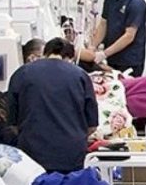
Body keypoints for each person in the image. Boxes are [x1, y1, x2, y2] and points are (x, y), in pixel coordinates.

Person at [7, 37, 98, 174]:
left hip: (32, 156)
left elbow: (13, 123)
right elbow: (92, 126)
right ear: (70, 58)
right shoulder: (80, 75)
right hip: (71, 156)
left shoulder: (22, 74)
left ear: (45, 53)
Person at [92, 0, 146, 77]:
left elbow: (129, 36)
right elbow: (103, 23)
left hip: (129, 60)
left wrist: (104, 54)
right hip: (113, 57)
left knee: (126, 85)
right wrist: (93, 46)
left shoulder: (136, 3)